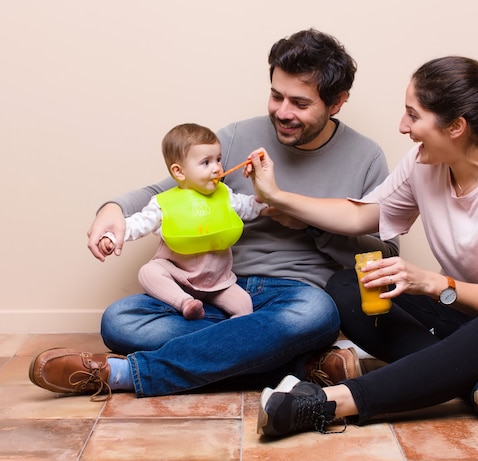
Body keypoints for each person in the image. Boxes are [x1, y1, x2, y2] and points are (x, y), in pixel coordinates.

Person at [28, 29, 399, 400]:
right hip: (212, 289)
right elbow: (164, 192)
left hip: (295, 297)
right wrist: (113, 209)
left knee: (316, 316)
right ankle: (299, 365)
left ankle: (126, 373)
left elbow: (385, 257)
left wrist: (311, 225)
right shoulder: (237, 137)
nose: (282, 113)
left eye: (300, 104)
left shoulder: (365, 157)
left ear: (336, 102)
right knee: (120, 321)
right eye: (275, 96)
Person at [249, 56, 478, 437]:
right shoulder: (424, 163)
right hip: (471, 317)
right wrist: (277, 196)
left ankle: (328, 404)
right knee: (349, 285)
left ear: (456, 127)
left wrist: (434, 284)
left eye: (413, 116)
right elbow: (359, 216)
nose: (403, 127)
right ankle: (475, 381)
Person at [98, 123, 267, 320]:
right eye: (206, 162)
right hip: (177, 277)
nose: (216, 168)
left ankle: (228, 332)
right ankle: (185, 303)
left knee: (245, 304)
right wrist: (112, 236)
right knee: (149, 272)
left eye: (218, 160)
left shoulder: (225, 194)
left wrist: (265, 200)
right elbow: (139, 223)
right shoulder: (164, 203)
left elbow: (248, 207)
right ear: (179, 171)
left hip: (217, 281)